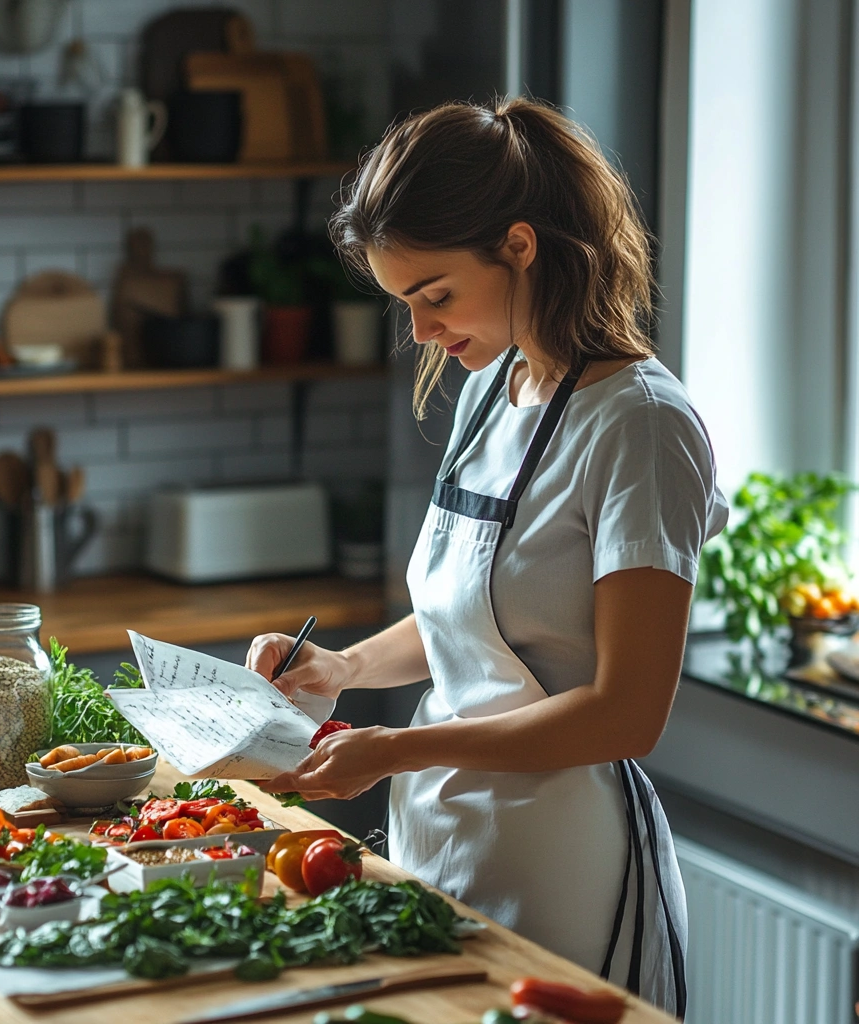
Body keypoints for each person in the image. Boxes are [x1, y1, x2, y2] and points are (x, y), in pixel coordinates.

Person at [247, 98, 728, 1016]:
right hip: (440, 832)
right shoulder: (492, 384)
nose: (422, 333)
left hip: (565, 870)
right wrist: (340, 667)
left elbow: (626, 716)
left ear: (519, 246)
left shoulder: (643, 427)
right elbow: (466, 620)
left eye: (435, 296)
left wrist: (395, 749)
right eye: (406, 305)